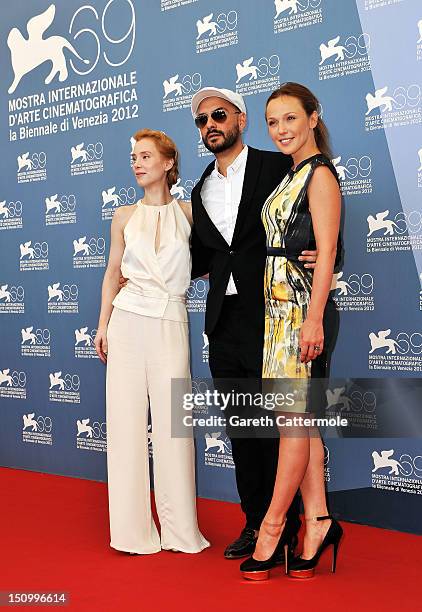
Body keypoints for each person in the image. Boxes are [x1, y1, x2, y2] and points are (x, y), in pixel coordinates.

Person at [190, 87, 318, 561]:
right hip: (222, 321)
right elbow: (203, 256)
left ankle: (285, 524)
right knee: (243, 427)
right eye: (202, 120)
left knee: (281, 424)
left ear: (241, 119)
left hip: (274, 313)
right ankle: (254, 521)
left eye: (218, 115)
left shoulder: (275, 166)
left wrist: (326, 252)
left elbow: (311, 214)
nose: (210, 125)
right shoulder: (199, 187)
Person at [240, 83, 343, 580]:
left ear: (313, 117)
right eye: (273, 122)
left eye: (289, 119)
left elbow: (326, 252)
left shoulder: (319, 174)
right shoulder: (293, 173)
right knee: (304, 425)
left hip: (302, 314)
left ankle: (273, 527)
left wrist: (315, 318)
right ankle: (319, 522)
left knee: (292, 426)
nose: (281, 130)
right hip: (279, 313)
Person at [94, 128, 209, 555]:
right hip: (126, 320)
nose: (137, 163)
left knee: (175, 430)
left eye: (145, 156)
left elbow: (218, 259)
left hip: (171, 321)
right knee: (124, 426)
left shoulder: (189, 213)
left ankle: (180, 531)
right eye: (134, 158)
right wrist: (103, 324)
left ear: (167, 163)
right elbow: (111, 272)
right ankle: (131, 532)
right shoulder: (123, 215)